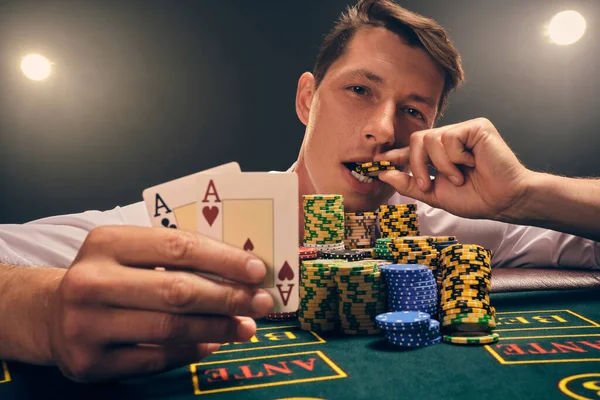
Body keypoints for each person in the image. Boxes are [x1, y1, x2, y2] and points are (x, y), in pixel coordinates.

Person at [0, 0, 598, 384]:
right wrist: (41, 309)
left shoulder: (450, 223)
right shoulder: (194, 221)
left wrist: (524, 194)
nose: (384, 130)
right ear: (307, 99)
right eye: (360, 89)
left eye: (414, 110)